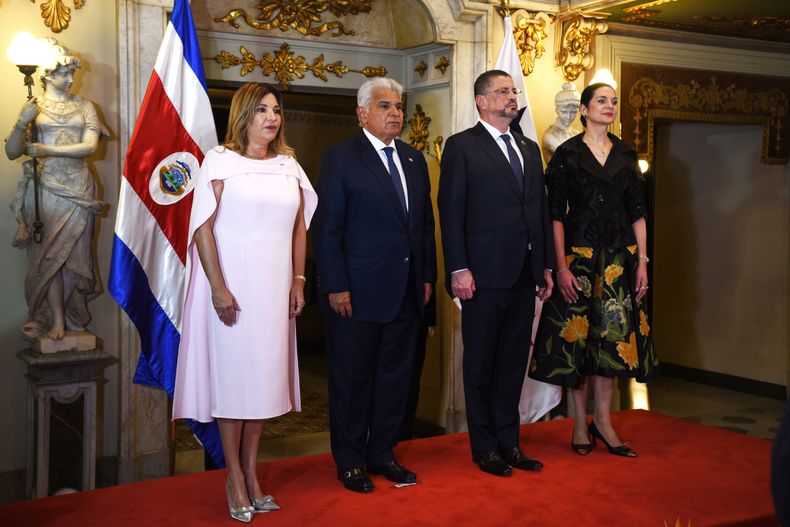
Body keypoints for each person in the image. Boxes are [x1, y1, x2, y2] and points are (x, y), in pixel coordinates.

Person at [172, 82, 317, 523]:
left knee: (263, 384)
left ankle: (253, 475)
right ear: (243, 116)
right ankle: (233, 476)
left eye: (276, 110)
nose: (271, 117)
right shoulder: (219, 160)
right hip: (232, 286)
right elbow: (202, 228)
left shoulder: (290, 165)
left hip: (274, 290)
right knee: (235, 384)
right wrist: (218, 286)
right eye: (261, 110)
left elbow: (298, 229)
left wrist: (298, 281)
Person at [313, 77, 436, 493]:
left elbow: (424, 228)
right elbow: (328, 228)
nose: (396, 113)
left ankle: (383, 454)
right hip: (356, 293)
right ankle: (349, 462)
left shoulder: (416, 160)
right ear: (362, 113)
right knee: (352, 381)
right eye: (385, 106)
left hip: (405, 291)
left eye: (399, 106)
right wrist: (335, 286)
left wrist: (426, 278)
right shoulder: (341, 158)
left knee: (394, 380)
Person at [529, 82, 658, 458]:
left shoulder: (626, 153)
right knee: (578, 347)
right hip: (579, 260)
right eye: (602, 101)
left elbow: (638, 213)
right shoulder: (567, 154)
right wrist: (560, 266)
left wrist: (643, 263)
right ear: (584, 109)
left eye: (614, 101)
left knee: (610, 347)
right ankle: (579, 424)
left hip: (620, 261)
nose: (610, 106)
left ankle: (603, 421)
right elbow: (554, 216)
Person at [438, 69, 555, 477]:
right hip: (481, 277)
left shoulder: (527, 147)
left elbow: (539, 211)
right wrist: (458, 268)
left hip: (524, 275)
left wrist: (545, 266)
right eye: (502, 91)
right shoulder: (461, 147)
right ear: (481, 101)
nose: (512, 97)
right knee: (481, 366)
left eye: (513, 91)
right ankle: (484, 447)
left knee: (510, 366)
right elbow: (450, 212)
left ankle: (510, 443)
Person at [4, 38, 106, 341]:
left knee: (74, 255)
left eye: (72, 73)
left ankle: (72, 314)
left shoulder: (86, 106)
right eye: (64, 73)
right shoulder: (33, 108)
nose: (71, 79)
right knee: (49, 256)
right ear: (47, 75)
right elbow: (12, 152)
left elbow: (89, 146)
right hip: (46, 188)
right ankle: (55, 319)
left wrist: (46, 147)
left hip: (78, 186)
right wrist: (23, 123)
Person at [541, 82, 581, 161]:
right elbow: (571, 159)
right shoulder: (549, 136)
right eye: (564, 112)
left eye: (573, 112)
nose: (568, 117)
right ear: (557, 110)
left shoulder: (577, 133)